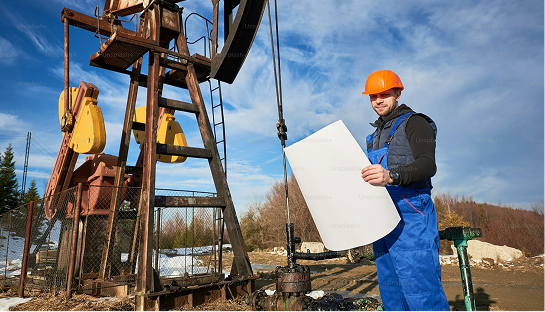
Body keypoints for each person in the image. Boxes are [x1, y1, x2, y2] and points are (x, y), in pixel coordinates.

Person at [360, 70, 450, 311]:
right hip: (383, 216)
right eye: (372, 96)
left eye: (384, 94)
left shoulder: (416, 123)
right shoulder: (374, 135)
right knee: (392, 293)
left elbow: (427, 164)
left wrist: (391, 175)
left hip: (411, 213)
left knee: (421, 291)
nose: (377, 100)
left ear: (398, 93)